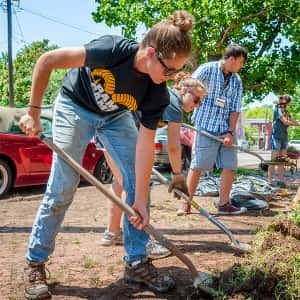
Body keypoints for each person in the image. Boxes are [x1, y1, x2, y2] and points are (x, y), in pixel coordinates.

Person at [19, 10, 194, 299]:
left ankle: (137, 262)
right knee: (62, 187)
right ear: (151, 53)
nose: (172, 78)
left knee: (140, 183)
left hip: (115, 117)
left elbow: (145, 147)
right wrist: (34, 113)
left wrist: (139, 200)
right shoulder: (112, 50)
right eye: (170, 70)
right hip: (75, 106)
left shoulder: (157, 92)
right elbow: (47, 60)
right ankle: (35, 262)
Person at [99, 73, 207, 248]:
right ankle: (140, 244)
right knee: (138, 184)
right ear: (185, 90)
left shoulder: (165, 95)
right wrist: (178, 176)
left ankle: (112, 233)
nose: (197, 106)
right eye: (196, 100)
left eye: (200, 103)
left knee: (120, 182)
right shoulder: (173, 103)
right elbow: (173, 146)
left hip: (105, 123)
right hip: (120, 129)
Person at [178, 44, 248, 216]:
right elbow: (187, 88)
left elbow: (235, 108)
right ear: (231, 59)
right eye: (240, 62)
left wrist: (231, 132)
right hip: (205, 128)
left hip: (226, 130)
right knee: (198, 165)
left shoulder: (236, 80)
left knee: (230, 165)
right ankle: (185, 204)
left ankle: (224, 204)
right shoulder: (206, 70)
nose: (241, 66)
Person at [268, 94, 300, 185]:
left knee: (282, 160)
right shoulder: (278, 110)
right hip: (276, 137)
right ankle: (269, 180)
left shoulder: (286, 112)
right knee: (274, 160)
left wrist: (298, 123)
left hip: (284, 138)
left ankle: (281, 179)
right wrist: (297, 124)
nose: (286, 104)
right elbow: (285, 122)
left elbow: (292, 120)